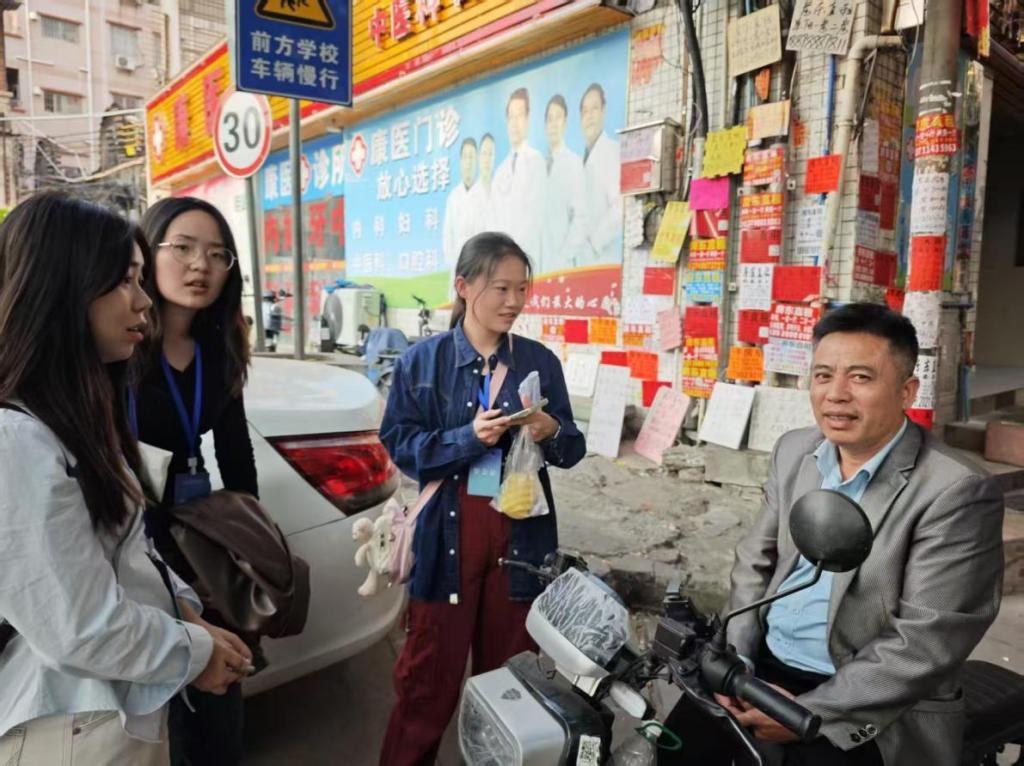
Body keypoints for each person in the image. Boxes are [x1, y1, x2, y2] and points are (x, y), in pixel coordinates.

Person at [662, 302, 1004, 766]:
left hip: (868, 695)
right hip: (760, 668)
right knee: (674, 745)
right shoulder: (794, 451)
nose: (836, 394)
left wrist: (815, 713)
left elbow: (927, 641)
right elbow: (756, 561)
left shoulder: (955, 490)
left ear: (906, 391)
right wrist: (736, 662)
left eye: (861, 378)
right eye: (823, 376)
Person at [0, 192, 251, 765]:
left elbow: (122, 554)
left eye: (217, 254)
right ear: (60, 288)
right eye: (125, 280)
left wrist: (187, 612)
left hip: (119, 697)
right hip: (73, 719)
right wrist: (192, 650)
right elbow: (80, 625)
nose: (142, 301)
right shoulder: (18, 440)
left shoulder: (79, 409)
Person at [377, 232, 587, 765]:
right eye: (501, 288)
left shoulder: (539, 361)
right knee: (427, 684)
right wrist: (467, 439)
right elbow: (401, 446)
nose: (514, 301)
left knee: (510, 688)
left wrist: (550, 430)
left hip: (520, 538)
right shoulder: (421, 363)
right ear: (464, 286)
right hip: (446, 538)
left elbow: (572, 449)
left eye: (522, 289)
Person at [136, 197, 260, 766]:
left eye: (216, 255)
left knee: (217, 709)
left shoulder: (219, 348)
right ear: (145, 254)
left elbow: (237, 457)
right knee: (156, 716)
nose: (199, 266)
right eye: (182, 248)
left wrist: (248, 549)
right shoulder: (117, 348)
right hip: (132, 547)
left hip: (197, 542)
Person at [493, 88, 546, 262]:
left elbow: (535, 218)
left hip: (526, 259)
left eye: (519, 116)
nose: (514, 123)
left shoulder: (536, 161)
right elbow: (492, 220)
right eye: (511, 117)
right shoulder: (500, 171)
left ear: (528, 119)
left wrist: (512, 255)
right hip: (499, 263)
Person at [539, 94, 586, 274]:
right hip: (538, 263)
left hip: (562, 265)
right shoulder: (538, 165)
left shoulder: (574, 163)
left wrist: (563, 256)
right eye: (549, 119)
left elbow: (581, 219)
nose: (553, 124)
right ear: (545, 125)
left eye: (557, 118)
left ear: (565, 123)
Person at [578, 83, 622, 266]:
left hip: (601, 260)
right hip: (581, 262)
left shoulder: (612, 151)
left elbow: (620, 207)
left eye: (594, 108)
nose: (589, 116)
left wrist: (594, 244)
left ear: (604, 111)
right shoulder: (581, 160)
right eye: (585, 111)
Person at [443, 137, 479, 268]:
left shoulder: (484, 195)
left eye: (471, 157)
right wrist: (455, 265)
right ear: (460, 161)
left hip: (480, 266)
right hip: (457, 267)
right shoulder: (453, 197)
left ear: (476, 161)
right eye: (465, 157)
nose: (468, 162)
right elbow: (448, 238)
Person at [467, 132, 498, 236]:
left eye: (490, 154)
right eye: (484, 153)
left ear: (494, 157)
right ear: (479, 156)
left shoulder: (500, 189)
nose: (487, 159)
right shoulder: (471, 196)